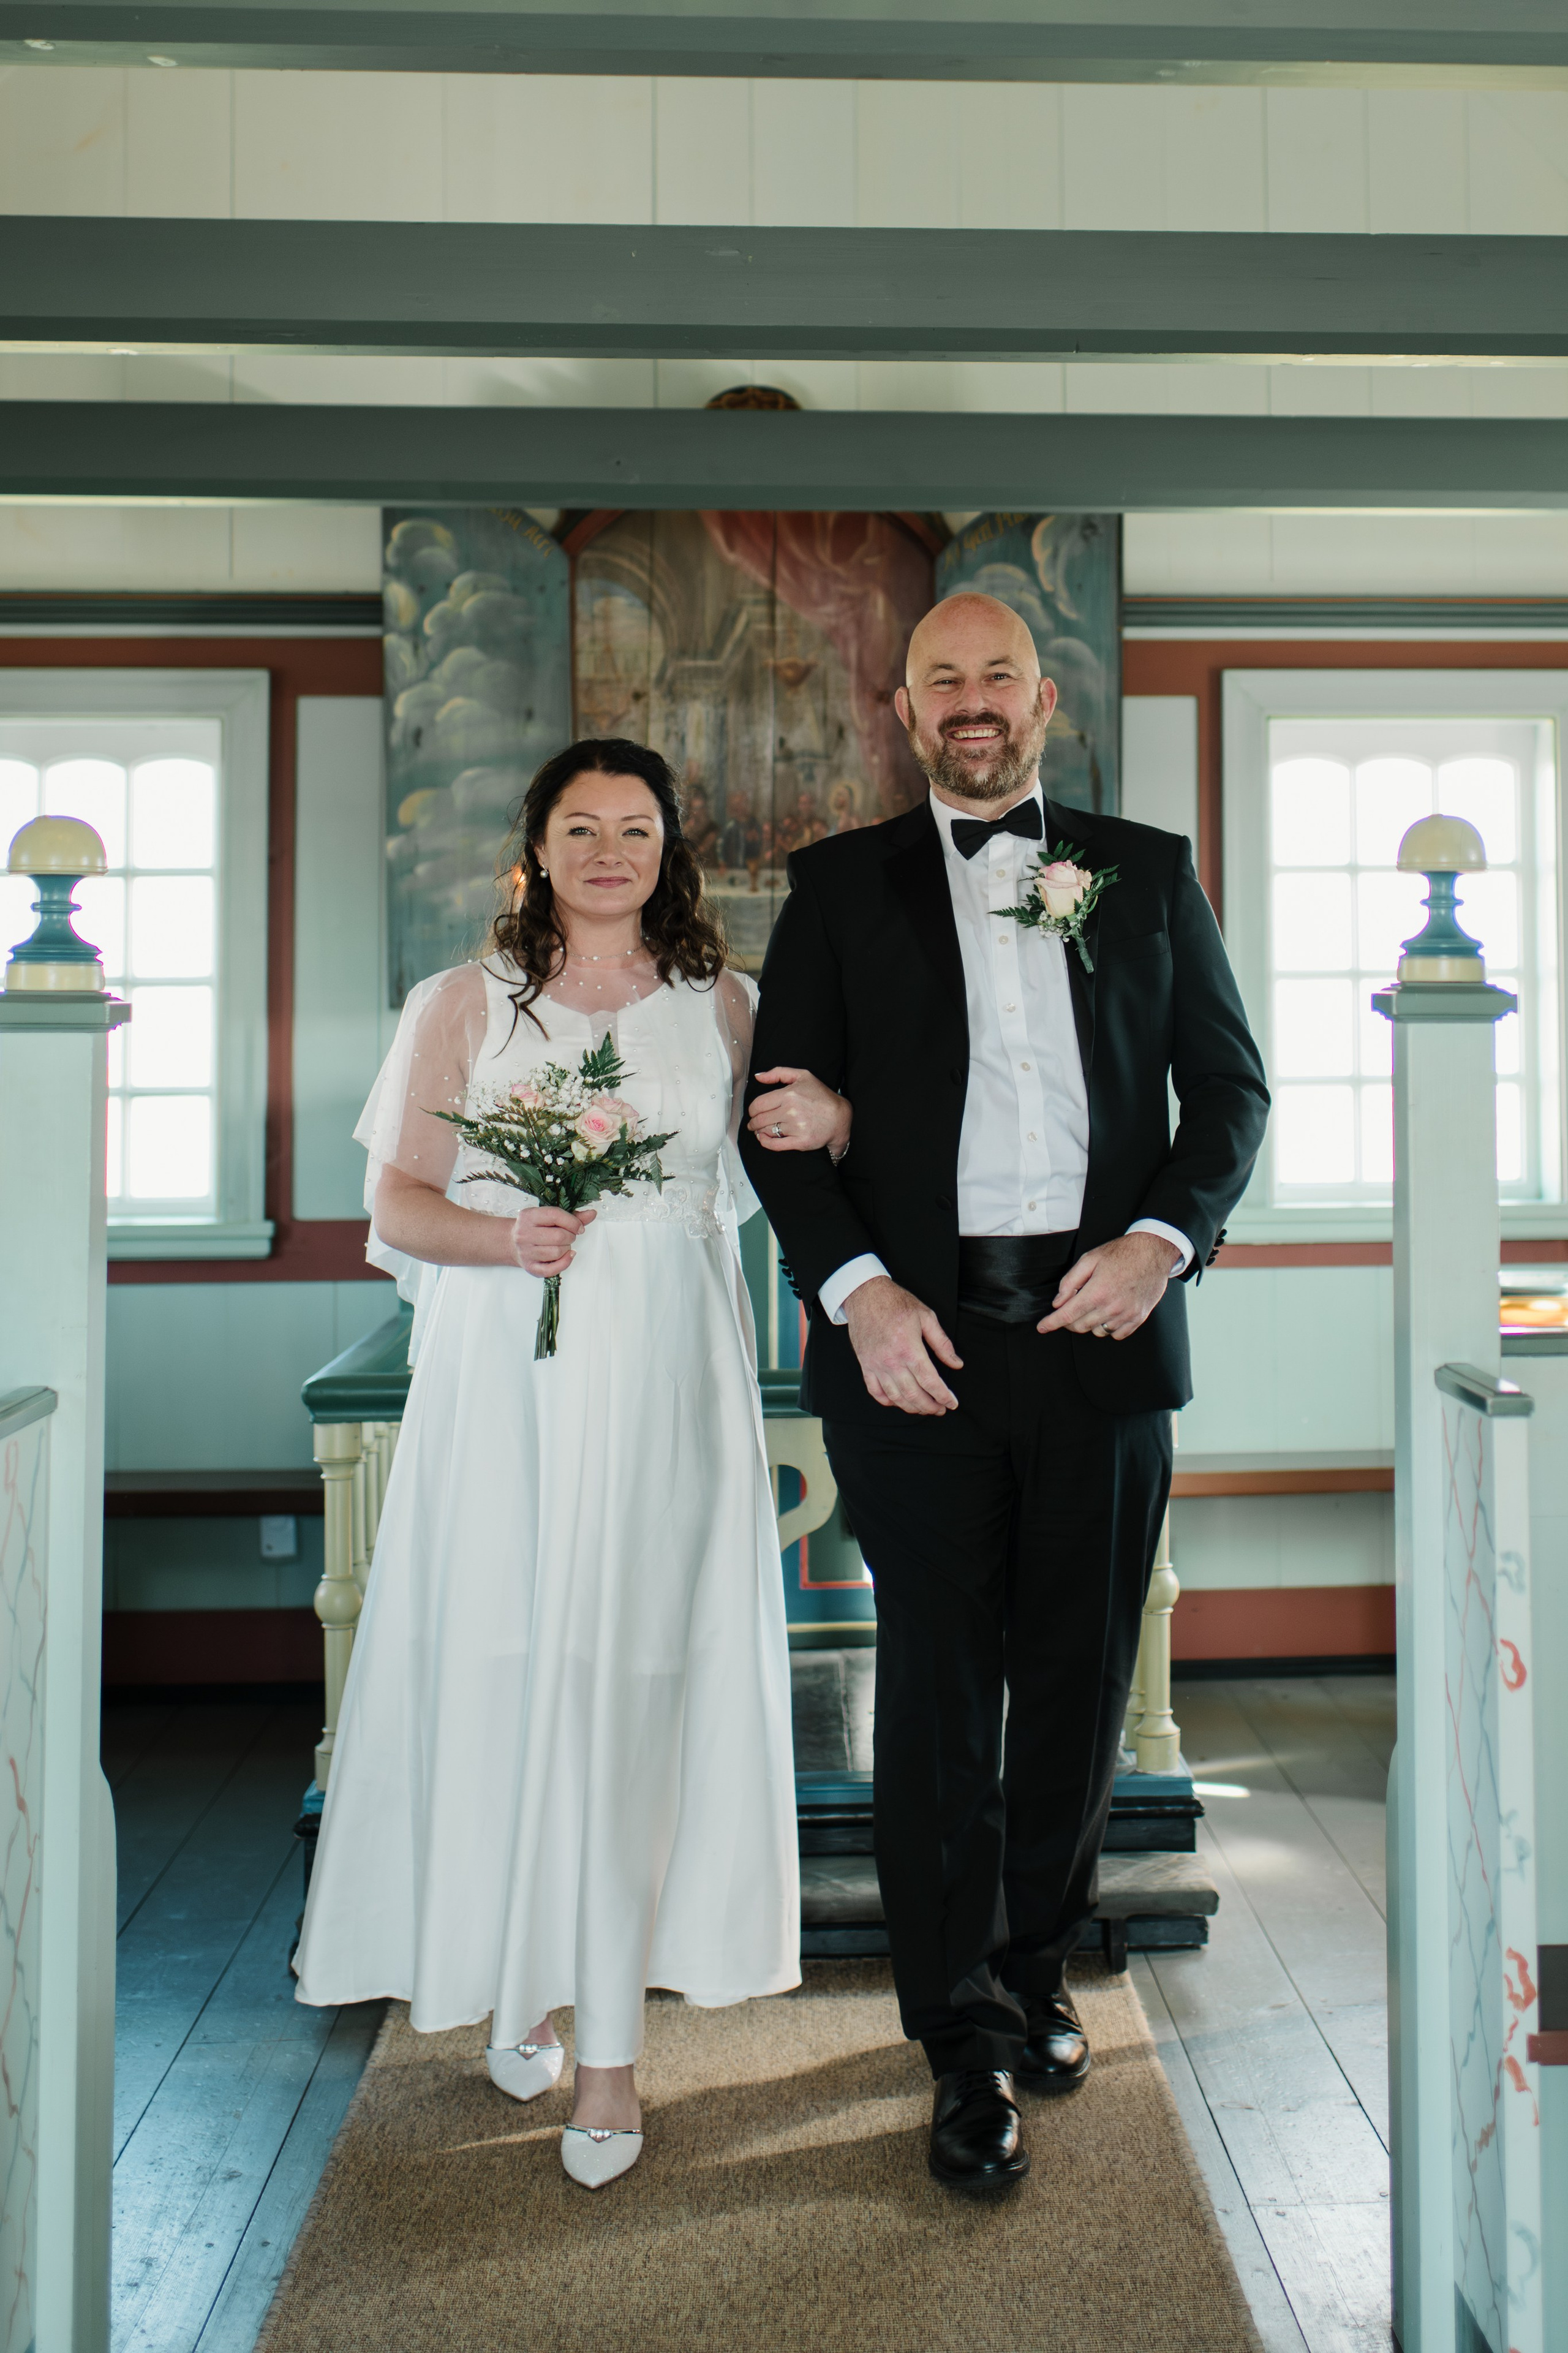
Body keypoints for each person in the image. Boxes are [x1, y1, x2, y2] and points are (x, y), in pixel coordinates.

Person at [740, 594, 1268, 2195]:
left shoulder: (1145, 869)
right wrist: (862, 1290)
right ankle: (953, 2029)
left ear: (1046, 696)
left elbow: (1231, 1092)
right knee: (943, 1696)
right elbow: (781, 1120)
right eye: (942, 679)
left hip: (1106, 1342)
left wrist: (1166, 1242)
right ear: (903, 709)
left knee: (1080, 1678)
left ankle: (1039, 1974)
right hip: (919, 1351)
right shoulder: (836, 888)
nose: (973, 702)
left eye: (997, 677)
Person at [293, 737, 850, 2191]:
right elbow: (399, 1203)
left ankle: (610, 2050)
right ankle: (520, 1971)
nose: (612, 850)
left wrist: (836, 1119)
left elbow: (791, 1160)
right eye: (581, 826)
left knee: (636, 1675)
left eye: (639, 828)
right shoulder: (461, 1004)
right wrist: (508, 1236)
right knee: (508, 1658)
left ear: (668, 848)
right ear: (534, 847)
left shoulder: (721, 1007)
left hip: (670, 1364)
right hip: (510, 1372)